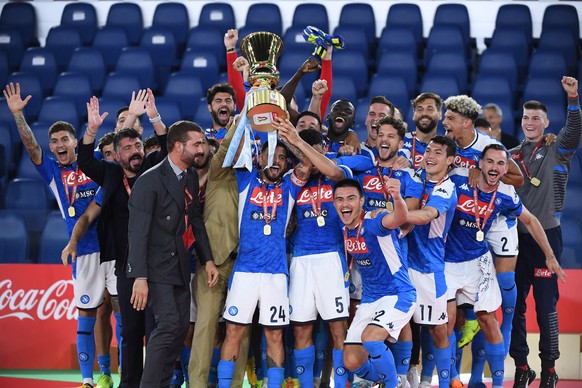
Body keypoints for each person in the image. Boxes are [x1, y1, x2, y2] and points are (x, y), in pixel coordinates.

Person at [3, 82, 117, 388]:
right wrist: (18, 116)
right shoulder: (52, 172)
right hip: (85, 253)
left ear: (74, 141)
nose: (59, 144)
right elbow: (30, 146)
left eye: (65, 138)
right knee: (87, 316)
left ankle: (129, 377)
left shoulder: (93, 161)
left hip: (115, 247)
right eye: (54, 141)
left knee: (122, 314)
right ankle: (90, 380)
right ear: (52, 147)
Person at [446, 144, 565, 388]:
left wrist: (550, 255)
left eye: (501, 164)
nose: (495, 168)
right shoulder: (457, 182)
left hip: (478, 262)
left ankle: (499, 384)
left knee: (489, 320)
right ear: (480, 163)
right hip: (448, 263)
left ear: (505, 168)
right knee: (446, 323)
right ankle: (450, 378)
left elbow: (530, 221)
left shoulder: (505, 194)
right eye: (490, 162)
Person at [78, 92, 168, 387]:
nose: (135, 150)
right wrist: (92, 130)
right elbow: (84, 160)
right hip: (126, 268)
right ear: (116, 155)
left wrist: (153, 116)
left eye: (138, 145)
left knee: (156, 332)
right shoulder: (112, 174)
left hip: (156, 266)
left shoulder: (153, 169)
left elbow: (168, 147)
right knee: (130, 333)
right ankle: (130, 383)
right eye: (127, 147)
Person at [127, 120, 218, 387]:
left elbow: (195, 220)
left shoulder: (189, 175)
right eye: (197, 143)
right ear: (179, 147)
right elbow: (137, 232)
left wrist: (208, 258)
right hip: (155, 267)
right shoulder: (150, 181)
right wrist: (140, 277)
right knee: (168, 326)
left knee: (178, 330)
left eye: (202, 143)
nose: (202, 148)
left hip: (179, 264)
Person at [217, 132, 311, 388]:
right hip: (244, 271)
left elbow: (307, 164)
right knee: (233, 332)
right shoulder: (247, 179)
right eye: (270, 155)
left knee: (275, 335)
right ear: (258, 157)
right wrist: (250, 115)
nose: (276, 161)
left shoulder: (290, 186)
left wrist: (287, 133)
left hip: (275, 275)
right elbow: (233, 149)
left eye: (281, 158)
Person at [509, 76, 580, 388]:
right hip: (513, 239)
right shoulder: (511, 155)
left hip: (547, 237)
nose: (529, 122)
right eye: (525, 117)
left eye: (536, 118)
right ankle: (522, 366)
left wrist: (573, 97)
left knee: (546, 306)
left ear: (547, 123)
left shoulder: (557, 149)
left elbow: (574, 130)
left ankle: (550, 369)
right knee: (514, 306)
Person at [275, 124, 352, 388]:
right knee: (300, 329)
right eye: (305, 156)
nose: (313, 161)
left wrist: (304, 146)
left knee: (338, 329)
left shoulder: (337, 176)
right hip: (300, 260)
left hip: (332, 258)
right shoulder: (292, 180)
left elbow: (335, 170)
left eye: (317, 154)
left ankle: (341, 385)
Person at [333, 178, 415, 388]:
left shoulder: (373, 222)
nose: (345, 204)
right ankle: (391, 380)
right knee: (351, 360)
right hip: (370, 299)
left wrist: (397, 197)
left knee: (371, 339)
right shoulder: (346, 229)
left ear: (362, 201)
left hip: (398, 294)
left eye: (351, 198)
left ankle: (392, 385)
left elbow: (401, 217)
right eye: (339, 199)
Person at [189, 116, 250, 388]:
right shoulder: (217, 171)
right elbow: (226, 147)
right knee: (205, 328)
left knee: (240, 330)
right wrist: (248, 107)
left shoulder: (253, 176)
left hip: (247, 263)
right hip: (213, 261)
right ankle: (197, 384)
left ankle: (235, 384)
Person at [406, 136, 458, 388]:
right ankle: (405, 377)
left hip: (429, 268)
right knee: (402, 324)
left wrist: (390, 218)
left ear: (450, 161)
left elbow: (427, 215)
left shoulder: (447, 188)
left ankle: (443, 381)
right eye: (428, 151)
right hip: (404, 264)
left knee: (437, 329)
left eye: (438, 153)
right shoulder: (415, 175)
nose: (430, 156)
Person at [403, 93, 443, 170]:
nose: (424, 113)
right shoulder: (400, 141)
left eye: (430, 109)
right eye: (419, 109)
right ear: (414, 115)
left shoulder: (446, 147)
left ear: (439, 114)